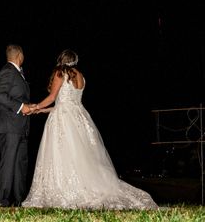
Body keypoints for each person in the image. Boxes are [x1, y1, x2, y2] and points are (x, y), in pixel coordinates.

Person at [22, 49, 157, 209]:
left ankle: (67, 190)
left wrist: (34, 106)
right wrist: (42, 110)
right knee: (81, 156)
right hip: (79, 118)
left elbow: (53, 98)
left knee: (64, 155)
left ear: (61, 60)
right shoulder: (80, 76)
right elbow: (67, 104)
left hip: (64, 121)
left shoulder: (60, 73)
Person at [0, 44, 36, 206]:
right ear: (20, 55)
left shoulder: (18, 74)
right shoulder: (8, 71)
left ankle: (19, 200)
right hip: (9, 126)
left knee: (20, 164)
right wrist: (20, 107)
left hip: (21, 127)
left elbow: (18, 98)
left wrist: (29, 107)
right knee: (9, 162)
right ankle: (2, 201)